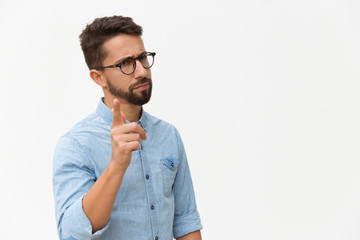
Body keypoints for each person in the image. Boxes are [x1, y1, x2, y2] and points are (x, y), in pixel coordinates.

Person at [52, 15, 202, 240]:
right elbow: (72, 233)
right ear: (98, 77)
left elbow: (185, 222)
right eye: (126, 64)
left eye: (142, 58)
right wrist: (116, 166)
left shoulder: (168, 135)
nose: (142, 71)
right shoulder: (75, 145)